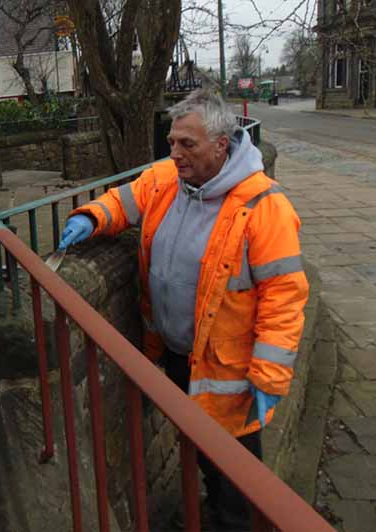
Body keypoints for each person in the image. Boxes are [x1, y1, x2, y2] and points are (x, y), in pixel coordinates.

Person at [58, 89, 308, 530]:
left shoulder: (264, 207)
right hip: (176, 356)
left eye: (186, 144)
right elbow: (123, 200)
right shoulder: (164, 180)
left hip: (229, 372)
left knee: (236, 472)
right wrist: (93, 217)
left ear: (221, 144)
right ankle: (211, 513)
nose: (174, 152)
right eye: (172, 142)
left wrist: (269, 375)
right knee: (198, 451)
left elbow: (283, 297)